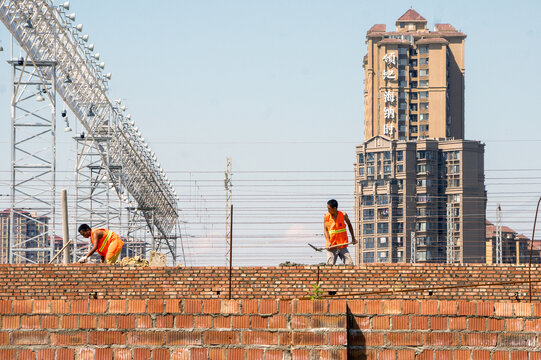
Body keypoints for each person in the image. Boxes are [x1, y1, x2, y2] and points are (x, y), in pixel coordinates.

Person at [324, 199, 357, 265]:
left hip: (342, 245)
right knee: (329, 266)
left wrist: (353, 238)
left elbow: (349, 225)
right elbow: (326, 230)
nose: (328, 210)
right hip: (332, 246)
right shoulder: (326, 216)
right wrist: (328, 241)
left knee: (349, 264)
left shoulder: (343, 215)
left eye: (329, 208)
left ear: (334, 208)